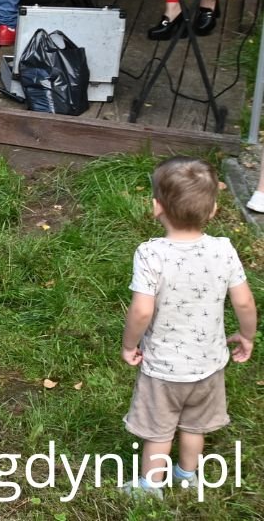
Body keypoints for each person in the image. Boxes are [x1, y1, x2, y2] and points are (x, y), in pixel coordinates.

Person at [119, 157, 255, 496]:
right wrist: (247, 335)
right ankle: (186, 474)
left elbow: (141, 311)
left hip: (164, 368)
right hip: (209, 363)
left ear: (156, 207)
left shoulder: (151, 254)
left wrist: (129, 344)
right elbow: (243, 302)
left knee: (159, 430)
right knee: (195, 425)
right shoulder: (223, 250)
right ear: (212, 211)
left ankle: (151, 486)